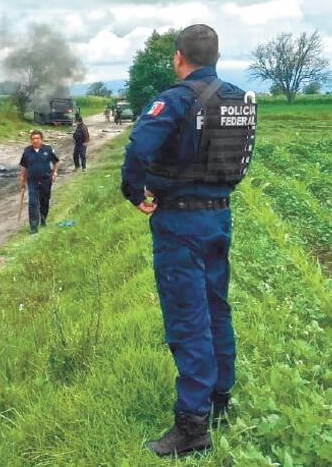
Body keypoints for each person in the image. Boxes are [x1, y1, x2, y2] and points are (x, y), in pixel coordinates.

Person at [120, 24, 256, 458]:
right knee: (217, 308)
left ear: (179, 56)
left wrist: (133, 192)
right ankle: (219, 400)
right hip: (219, 218)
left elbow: (138, 148)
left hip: (180, 224)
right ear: (216, 55)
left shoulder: (175, 100)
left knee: (188, 318)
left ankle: (193, 426)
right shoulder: (239, 100)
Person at [19, 130, 59, 234]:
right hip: (32, 180)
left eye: (37, 138)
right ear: (30, 140)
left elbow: (55, 162)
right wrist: (22, 179)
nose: (35, 141)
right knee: (32, 202)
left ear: (41, 139)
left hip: (46, 179)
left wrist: (54, 173)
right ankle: (33, 226)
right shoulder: (27, 151)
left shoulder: (48, 149)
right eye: (33, 139)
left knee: (44, 201)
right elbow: (24, 166)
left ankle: (43, 219)